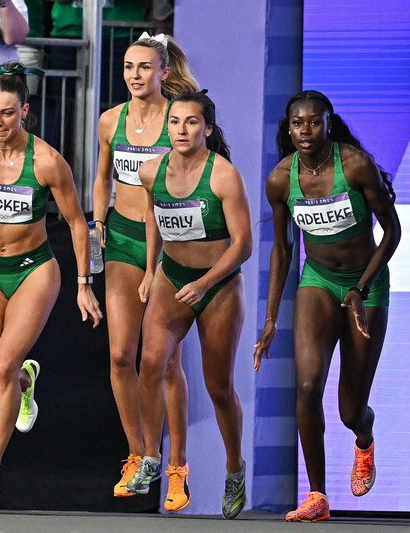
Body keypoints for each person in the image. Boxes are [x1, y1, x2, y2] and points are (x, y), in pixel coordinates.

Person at [0, 61, 102, 506]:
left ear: (24, 112)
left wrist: (84, 282)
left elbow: (77, 223)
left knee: (3, 366)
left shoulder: (47, 162)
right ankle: (26, 381)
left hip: (34, 271)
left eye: (7, 114)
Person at [254, 90, 401, 523]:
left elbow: (392, 232)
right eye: (297, 123)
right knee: (306, 386)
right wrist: (270, 318)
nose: (306, 130)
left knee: (349, 410)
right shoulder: (280, 179)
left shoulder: (354, 165)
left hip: (366, 285)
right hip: (317, 282)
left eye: (314, 122)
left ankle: (364, 440)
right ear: (288, 127)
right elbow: (283, 249)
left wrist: (361, 286)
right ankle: (317, 496)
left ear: (328, 124)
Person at [134, 89, 252, 518]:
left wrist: (204, 283)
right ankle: (151, 457)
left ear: (208, 128)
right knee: (150, 364)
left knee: (218, 387)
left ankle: (234, 468)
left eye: (191, 122)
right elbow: (152, 219)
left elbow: (243, 245)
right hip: (171, 276)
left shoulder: (223, 175)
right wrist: (150, 270)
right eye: (174, 122)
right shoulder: (151, 171)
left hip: (217, 286)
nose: (181, 130)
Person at [92, 32, 197, 504]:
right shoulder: (110, 120)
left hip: (169, 246)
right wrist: (98, 222)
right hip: (121, 240)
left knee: (167, 362)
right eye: (129, 67)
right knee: (121, 355)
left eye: (144, 67)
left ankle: (178, 466)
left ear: (163, 72)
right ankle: (139, 456)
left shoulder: (177, 122)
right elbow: (101, 177)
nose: (135, 75)